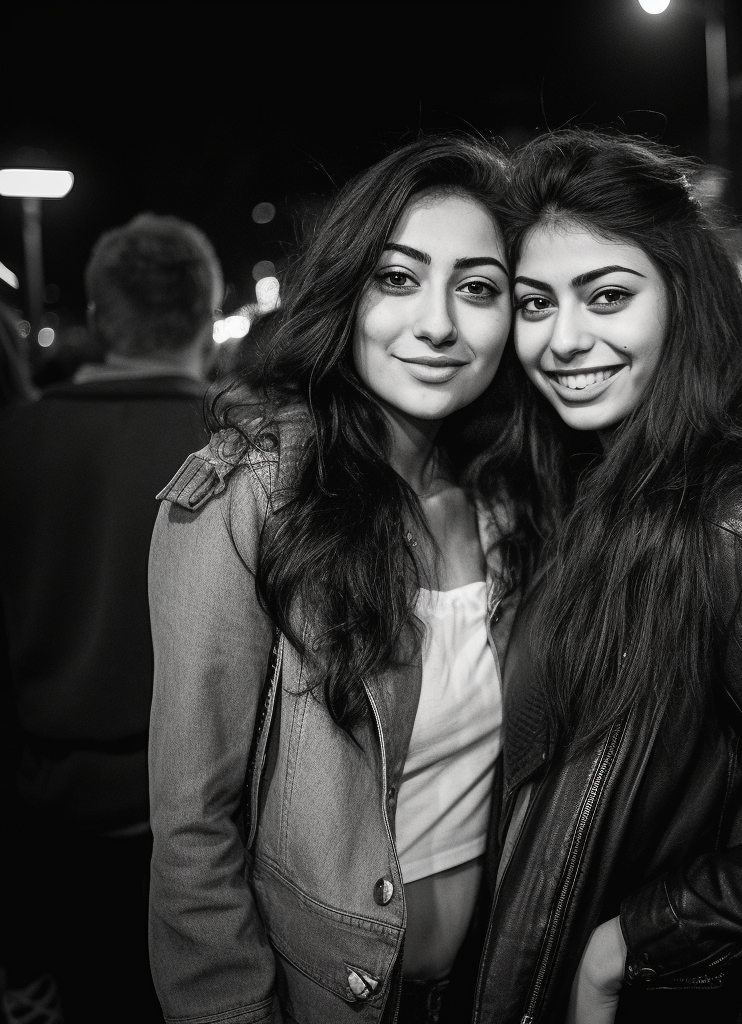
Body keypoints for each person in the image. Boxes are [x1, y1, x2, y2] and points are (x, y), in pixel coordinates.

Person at [470, 130, 742, 1024]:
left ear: (682, 299)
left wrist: (628, 944)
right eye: (535, 303)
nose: (565, 339)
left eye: (609, 296)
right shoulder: (579, 487)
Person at [147, 135, 530, 1024]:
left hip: (500, 986)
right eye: (397, 279)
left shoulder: (513, 500)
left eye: (477, 288)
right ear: (345, 294)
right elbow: (194, 831)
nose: (438, 323)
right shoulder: (252, 493)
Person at [0, 213, 220, 1023]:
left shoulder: (17, 441)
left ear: (98, 318)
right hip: (212, 830)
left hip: (54, 823)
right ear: (205, 313)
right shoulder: (239, 448)